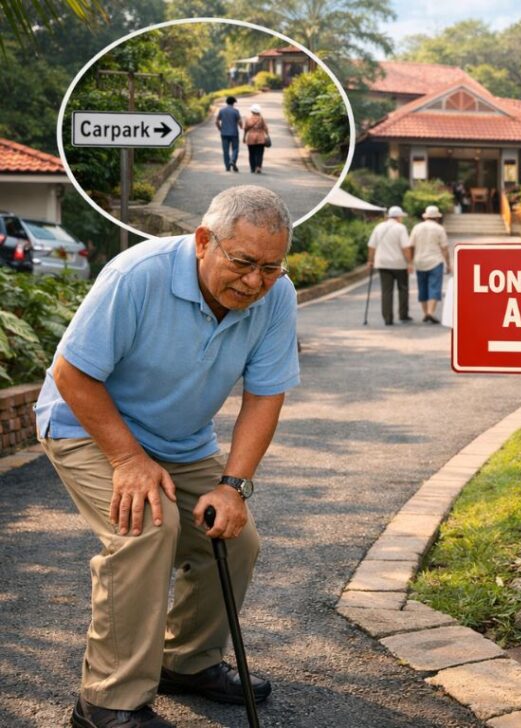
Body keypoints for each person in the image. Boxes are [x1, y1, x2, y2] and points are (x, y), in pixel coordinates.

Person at [35, 186, 299, 728]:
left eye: (270, 267)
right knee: (147, 528)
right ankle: (106, 702)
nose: (255, 282)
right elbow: (71, 374)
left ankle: (187, 660)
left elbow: (266, 394)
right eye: (243, 262)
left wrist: (233, 486)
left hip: (181, 442)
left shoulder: (277, 295)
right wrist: (128, 459)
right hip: (87, 425)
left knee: (233, 537)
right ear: (204, 241)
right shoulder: (140, 274)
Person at [367, 206, 413, 325]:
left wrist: (370, 261)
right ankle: (403, 315)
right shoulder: (401, 228)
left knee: (386, 291)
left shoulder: (379, 227)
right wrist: (409, 262)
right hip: (399, 264)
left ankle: (388, 318)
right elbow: (406, 248)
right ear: (398, 217)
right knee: (403, 289)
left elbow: (372, 246)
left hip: (382, 263)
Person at [409, 205, 450, 324]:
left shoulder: (417, 227)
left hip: (419, 261)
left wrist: (410, 262)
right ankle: (431, 312)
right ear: (437, 217)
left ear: (426, 216)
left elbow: (411, 245)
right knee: (434, 287)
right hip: (435, 261)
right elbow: (445, 248)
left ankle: (425, 313)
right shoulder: (439, 229)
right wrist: (448, 264)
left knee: (422, 288)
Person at [216, 96, 242, 173]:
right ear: (233, 103)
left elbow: (217, 121)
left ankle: (227, 166)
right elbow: (240, 121)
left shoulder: (222, 110)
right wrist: (241, 126)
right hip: (234, 133)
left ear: (226, 102)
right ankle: (232, 160)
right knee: (235, 149)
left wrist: (220, 128)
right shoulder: (235, 111)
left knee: (225, 150)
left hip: (224, 133)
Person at [242, 103, 269, 174]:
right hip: (260, 138)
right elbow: (266, 128)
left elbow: (245, 129)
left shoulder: (248, 119)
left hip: (250, 138)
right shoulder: (261, 119)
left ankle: (252, 168)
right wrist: (267, 135)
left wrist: (244, 137)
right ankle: (258, 167)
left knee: (251, 154)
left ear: (252, 111)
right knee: (259, 153)